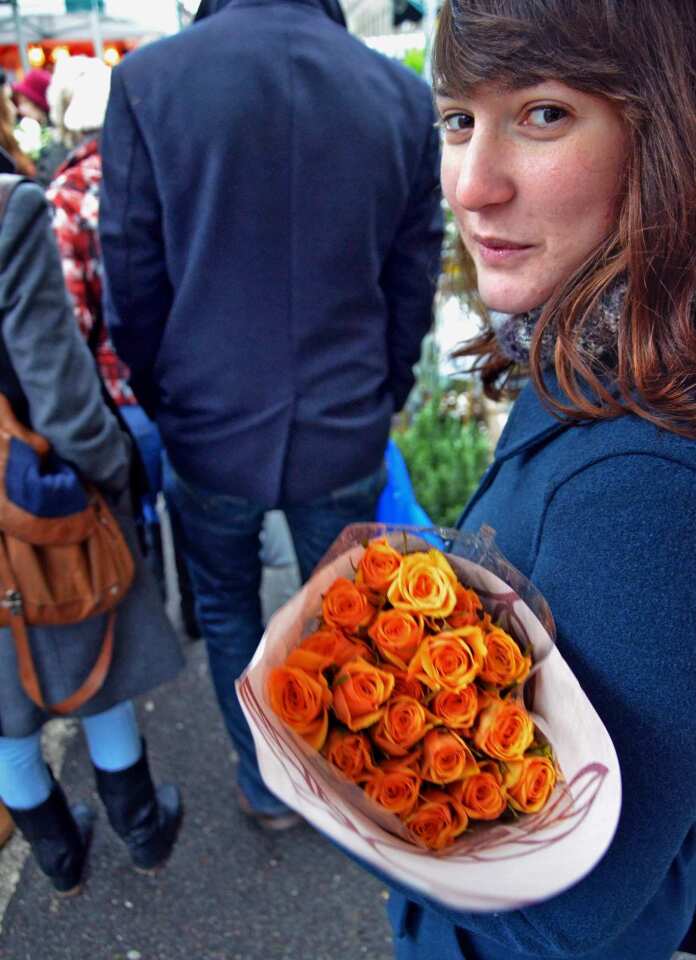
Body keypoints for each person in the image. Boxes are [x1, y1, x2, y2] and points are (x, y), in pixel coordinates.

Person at [368, 1, 696, 958]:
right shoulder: (607, 356)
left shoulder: (633, 481)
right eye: (458, 118)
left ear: (665, 128)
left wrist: (376, 788)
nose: (472, 186)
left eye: (544, 113)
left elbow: (561, 919)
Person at [98, 0, 443, 829]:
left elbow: (131, 277)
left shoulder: (149, 82)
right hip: (346, 414)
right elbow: (412, 276)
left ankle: (267, 785)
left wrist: (161, 393)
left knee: (227, 610)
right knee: (343, 616)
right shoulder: (397, 96)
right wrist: (384, 389)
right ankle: (340, 774)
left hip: (206, 415)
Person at [0, 178, 185, 895]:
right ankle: (141, 832)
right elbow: (61, 389)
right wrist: (112, 474)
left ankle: (59, 858)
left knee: (5, 704)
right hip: (31, 497)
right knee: (90, 646)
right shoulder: (10, 211)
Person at [44, 57, 199, 639]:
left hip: (117, 398)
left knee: (135, 515)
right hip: (181, 386)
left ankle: (152, 617)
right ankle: (197, 614)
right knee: (192, 513)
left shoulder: (62, 198)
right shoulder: (163, 182)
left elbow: (71, 319)